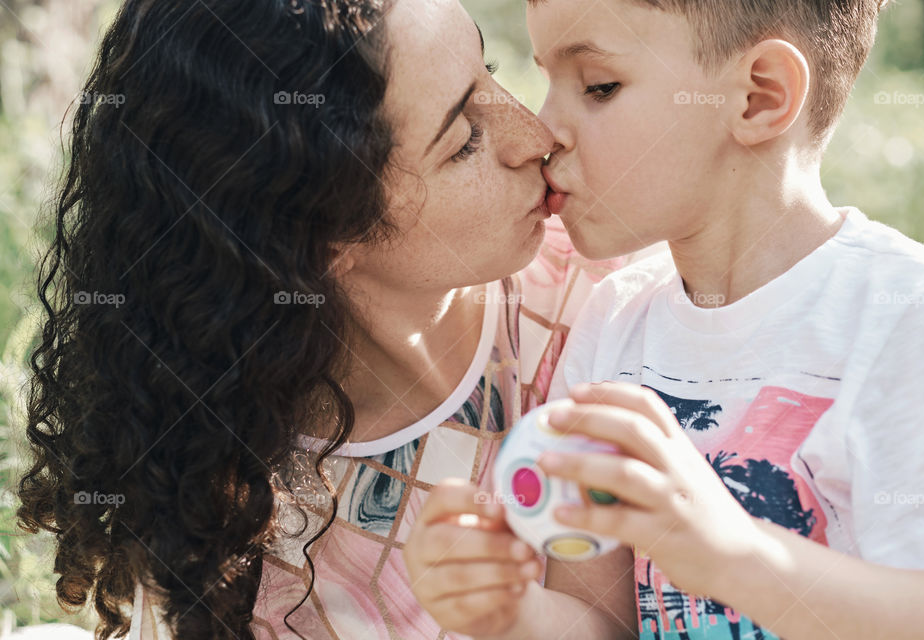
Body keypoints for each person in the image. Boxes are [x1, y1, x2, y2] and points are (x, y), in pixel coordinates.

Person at [15, 0, 646, 638]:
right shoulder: (242, 532)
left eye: (490, 70)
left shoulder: (617, 283)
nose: (536, 135)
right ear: (322, 237)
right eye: (463, 141)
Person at [525, 0, 924, 638]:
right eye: (546, 81)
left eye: (598, 86)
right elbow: (601, 619)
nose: (542, 131)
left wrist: (739, 557)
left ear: (760, 98)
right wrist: (514, 612)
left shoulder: (912, 318)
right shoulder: (614, 319)